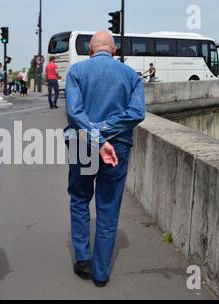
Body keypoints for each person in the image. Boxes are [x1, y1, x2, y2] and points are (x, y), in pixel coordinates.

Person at [65, 31, 145, 287]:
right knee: (108, 206)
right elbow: (136, 113)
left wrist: (95, 135)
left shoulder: (76, 72)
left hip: (81, 144)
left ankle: (82, 259)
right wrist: (107, 132)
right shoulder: (132, 76)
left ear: (90, 49)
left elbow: (74, 111)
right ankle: (100, 273)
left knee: (79, 198)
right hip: (118, 146)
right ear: (114, 50)